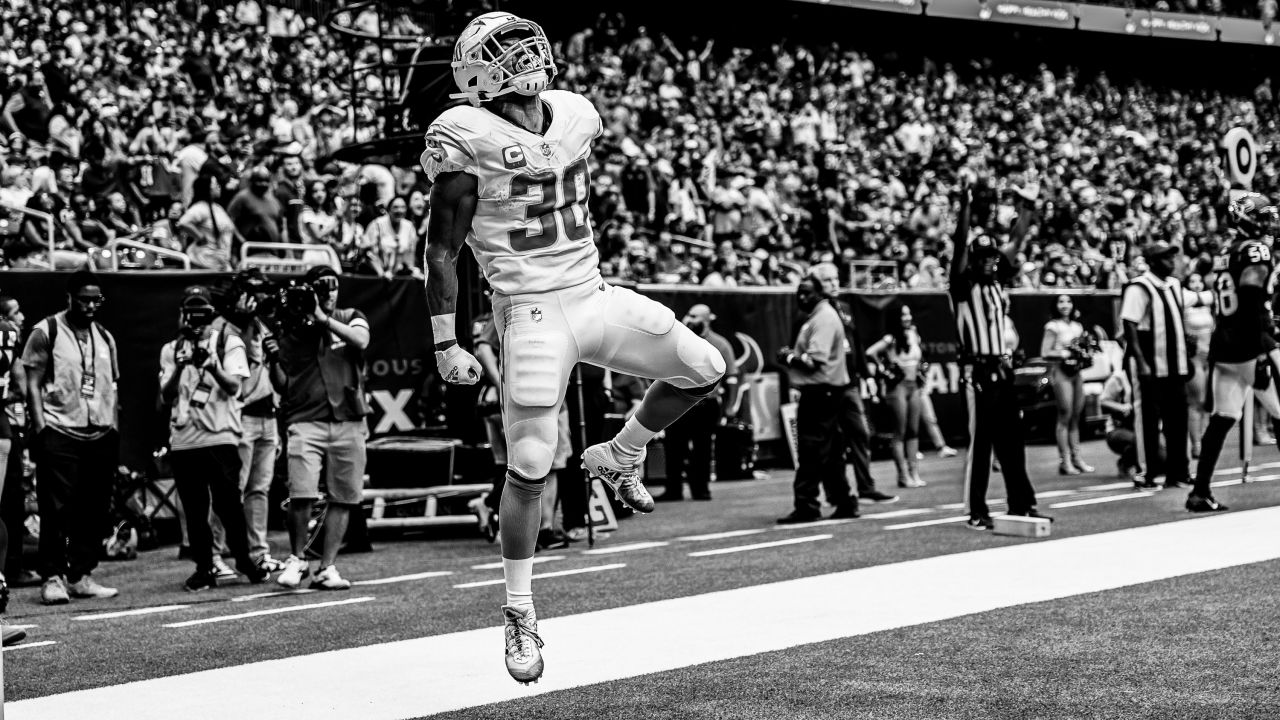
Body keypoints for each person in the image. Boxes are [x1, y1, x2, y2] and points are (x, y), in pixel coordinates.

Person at [421, 12, 726, 686]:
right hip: (530, 310)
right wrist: (446, 340)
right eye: (505, 49)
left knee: (706, 367)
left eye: (525, 42)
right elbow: (441, 247)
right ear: (476, 70)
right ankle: (519, 609)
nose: (525, 54)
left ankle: (620, 452)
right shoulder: (462, 137)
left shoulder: (573, 113)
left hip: (591, 293)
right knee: (530, 463)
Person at [948, 176, 1048, 530]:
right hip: (978, 371)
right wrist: (966, 207)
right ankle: (976, 509)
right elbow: (960, 246)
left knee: (1012, 439)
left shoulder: (994, 283)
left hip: (1002, 369)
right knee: (982, 443)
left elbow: (1018, 239)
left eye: (993, 257)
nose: (991, 262)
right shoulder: (962, 286)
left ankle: (1021, 502)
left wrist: (1028, 207)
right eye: (984, 257)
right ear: (973, 261)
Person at [268, 265, 370, 590]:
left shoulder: (350, 314)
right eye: (322, 289)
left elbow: (362, 340)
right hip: (305, 417)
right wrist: (272, 360)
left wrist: (324, 318)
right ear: (310, 290)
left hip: (348, 417)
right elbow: (282, 382)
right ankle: (298, 559)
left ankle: (327, 567)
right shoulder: (293, 325)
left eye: (334, 287)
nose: (330, 294)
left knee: (344, 495)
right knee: (302, 492)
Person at [159, 287, 268, 591]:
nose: (195, 319)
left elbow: (235, 387)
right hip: (185, 440)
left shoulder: (227, 342)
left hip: (221, 438)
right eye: (190, 311)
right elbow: (165, 396)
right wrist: (181, 365)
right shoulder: (171, 348)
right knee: (194, 510)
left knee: (229, 505)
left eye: (202, 312)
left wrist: (213, 365)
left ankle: (244, 560)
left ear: (211, 314)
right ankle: (204, 566)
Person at [22, 270, 120, 604]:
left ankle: (81, 575)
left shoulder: (105, 337)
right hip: (60, 430)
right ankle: (52, 577)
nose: (91, 306)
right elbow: (31, 382)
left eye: (97, 300)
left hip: (100, 432)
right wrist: (40, 428)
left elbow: (112, 387)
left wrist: (114, 427)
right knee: (55, 508)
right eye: (85, 299)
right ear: (70, 297)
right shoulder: (46, 330)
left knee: (93, 508)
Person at [1187, 194, 1280, 512]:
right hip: (1251, 345)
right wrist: (1263, 349)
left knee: (1223, 417)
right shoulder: (1255, 250)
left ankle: (1199, 491)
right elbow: (1253, 299)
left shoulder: (1226, 252)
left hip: (1224, 346)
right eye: (1262, 216)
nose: (1268, 221)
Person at [213, 269, 284, 572]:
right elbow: (227, 368)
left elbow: (278, 379)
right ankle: (214, 555)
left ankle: (258, 552)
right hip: (239, 415)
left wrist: (276, 355)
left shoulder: (261, 326)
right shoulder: (222, 327)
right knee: (230, 491)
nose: (260, 300)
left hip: (267, 415)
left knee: (259, 489)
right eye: (255, 293)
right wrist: (240, 321)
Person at [807, 262, 896, 504]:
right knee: (828, 442)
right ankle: (833, 493)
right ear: (816, 285)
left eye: (836, 279)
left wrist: (866, 375)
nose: (834, 284)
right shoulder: (812, 311)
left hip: (849, 383)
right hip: (826, 385)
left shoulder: (845, 308)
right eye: (828, 281)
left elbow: (856, 343)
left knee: (861, 432)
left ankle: (866, 487)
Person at [776, 277, 859, 524]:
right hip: (829, 391)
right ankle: (844, 501)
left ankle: (807, 504)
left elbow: (815, 361)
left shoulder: (822, 318)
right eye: (799, 294)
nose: (801, 298)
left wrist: (789, 357)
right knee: (832, 451)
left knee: (811, 449)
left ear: (819, 293)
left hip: (820, 392)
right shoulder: (821, 315)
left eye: (807, 293)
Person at [1120, 241, 1191, 490]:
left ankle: (1178, 472)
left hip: (1175, 364)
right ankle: (1145, 472)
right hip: (1150, 363)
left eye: (1172, 258)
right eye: (1165, 258)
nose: (1171, 262)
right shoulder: (1140, 287)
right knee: (1148, 419)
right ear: (1152, 262)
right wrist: (1140, 362)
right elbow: (1129, 324)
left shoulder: (1174, 285)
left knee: (1178, 419)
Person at [657, 304, 739, 502]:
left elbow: (732, 378)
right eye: (688, 315)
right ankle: (673, 489)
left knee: (702, 448)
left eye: (693, 316)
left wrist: (730, 407)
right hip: (680, 400)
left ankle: (701, 489)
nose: (688, 318)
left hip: (705, 404)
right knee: (674, 446)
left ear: (706, 320)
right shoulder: (681, 340)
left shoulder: (720, 344)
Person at [867, 304, 927, 489]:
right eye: (903, 315)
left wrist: (921, 370)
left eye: (909, 314)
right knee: (899, 432)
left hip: (914, 384)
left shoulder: (914, 333)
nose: (908, 318)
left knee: (913, 430)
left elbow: (920, 357)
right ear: (896, 318)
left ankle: (914, 473)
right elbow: (870, 352)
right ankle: (903, 475)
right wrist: (885, 369)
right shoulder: (891, 338)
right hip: (898, 386)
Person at [1040, 295, 1095, 475]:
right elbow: (1045, 351)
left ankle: (1077, 457)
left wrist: (1085, 353)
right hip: (1061, 372)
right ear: (1055, 306)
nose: (1065, 305)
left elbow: (1084, 348)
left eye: (1068, 302)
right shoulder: (1052, 326)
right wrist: (1065, 353)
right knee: (1065, 413)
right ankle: (1065, 460)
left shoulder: (1076, 326)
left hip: (1076, 372)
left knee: (1076, 415)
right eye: (1061, 302)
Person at [1183, 273, 1214, 458]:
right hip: (1194, 356)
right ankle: (1196, 444)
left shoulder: (1208, 304)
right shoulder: (1184, 303)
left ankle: (1204, 438)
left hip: (1209, 355)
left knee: (1208, 403)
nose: (1197, 284)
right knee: (1197, 400)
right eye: (1192, 281)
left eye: (1199, 280)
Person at [1099, 367, 1139, 481]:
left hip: (1141, 427)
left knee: (1163, 459)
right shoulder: (1120, 378)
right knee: (1139, 441)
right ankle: (1125, 463)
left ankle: (1143, 463)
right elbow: (1103, 400)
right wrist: (1121, 407)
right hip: (1118, 429)